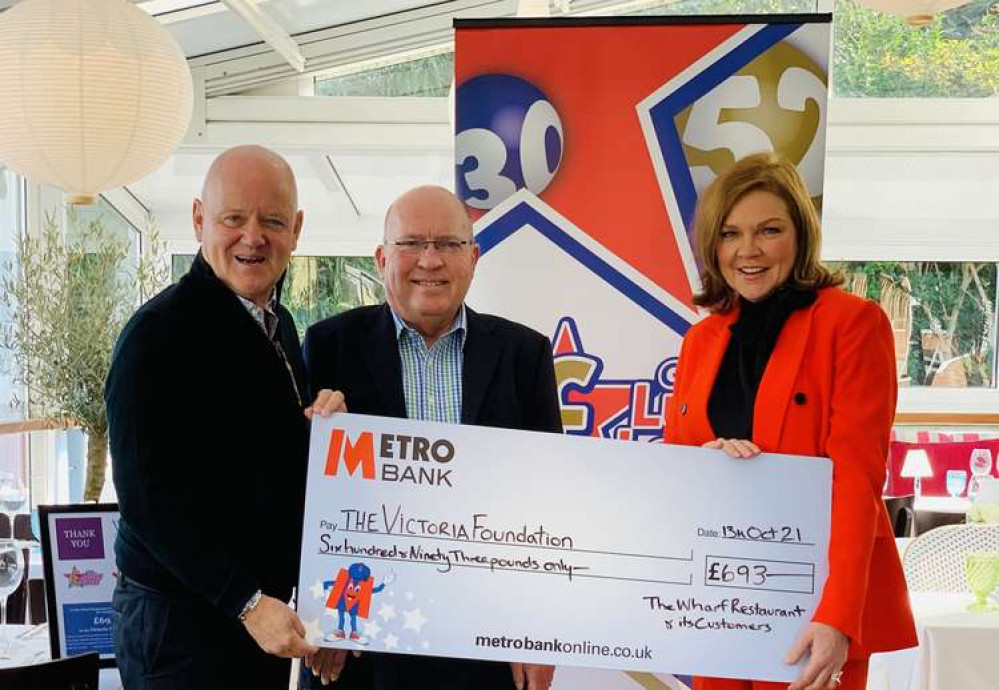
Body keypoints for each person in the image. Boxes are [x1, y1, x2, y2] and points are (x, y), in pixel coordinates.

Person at [665, 152, 917, 690]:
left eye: (769, 230)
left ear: (800, 236)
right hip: (718, 605)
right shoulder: (700, 340)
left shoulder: (852, 325)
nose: (748, 250)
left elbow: (857, 479)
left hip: (813, 603)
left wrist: (838, 615)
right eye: (730, 234)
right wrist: (702, 464)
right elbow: (674, 467)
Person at [301, 185, 562, 690]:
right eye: (411, 244)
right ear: (382, 258)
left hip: (485, 637)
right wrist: (327, 608)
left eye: (448, 244)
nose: (430, 260)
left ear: (474, 258)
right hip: (361, 641)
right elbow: (308, 497)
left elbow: (545, 501)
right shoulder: (329, 346)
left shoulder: (523, 354)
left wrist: (537, 631)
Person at [106, 145, 345, 689]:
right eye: (233, 219)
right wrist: (245, 602)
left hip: (254, 622)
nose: (253, 237)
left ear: (298, 229)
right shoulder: (157, 335)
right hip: (182, 629)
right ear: (198, 220)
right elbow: (146, 498)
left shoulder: (278, 326)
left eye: (273, 221)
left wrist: (328, 429)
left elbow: (260, 461)